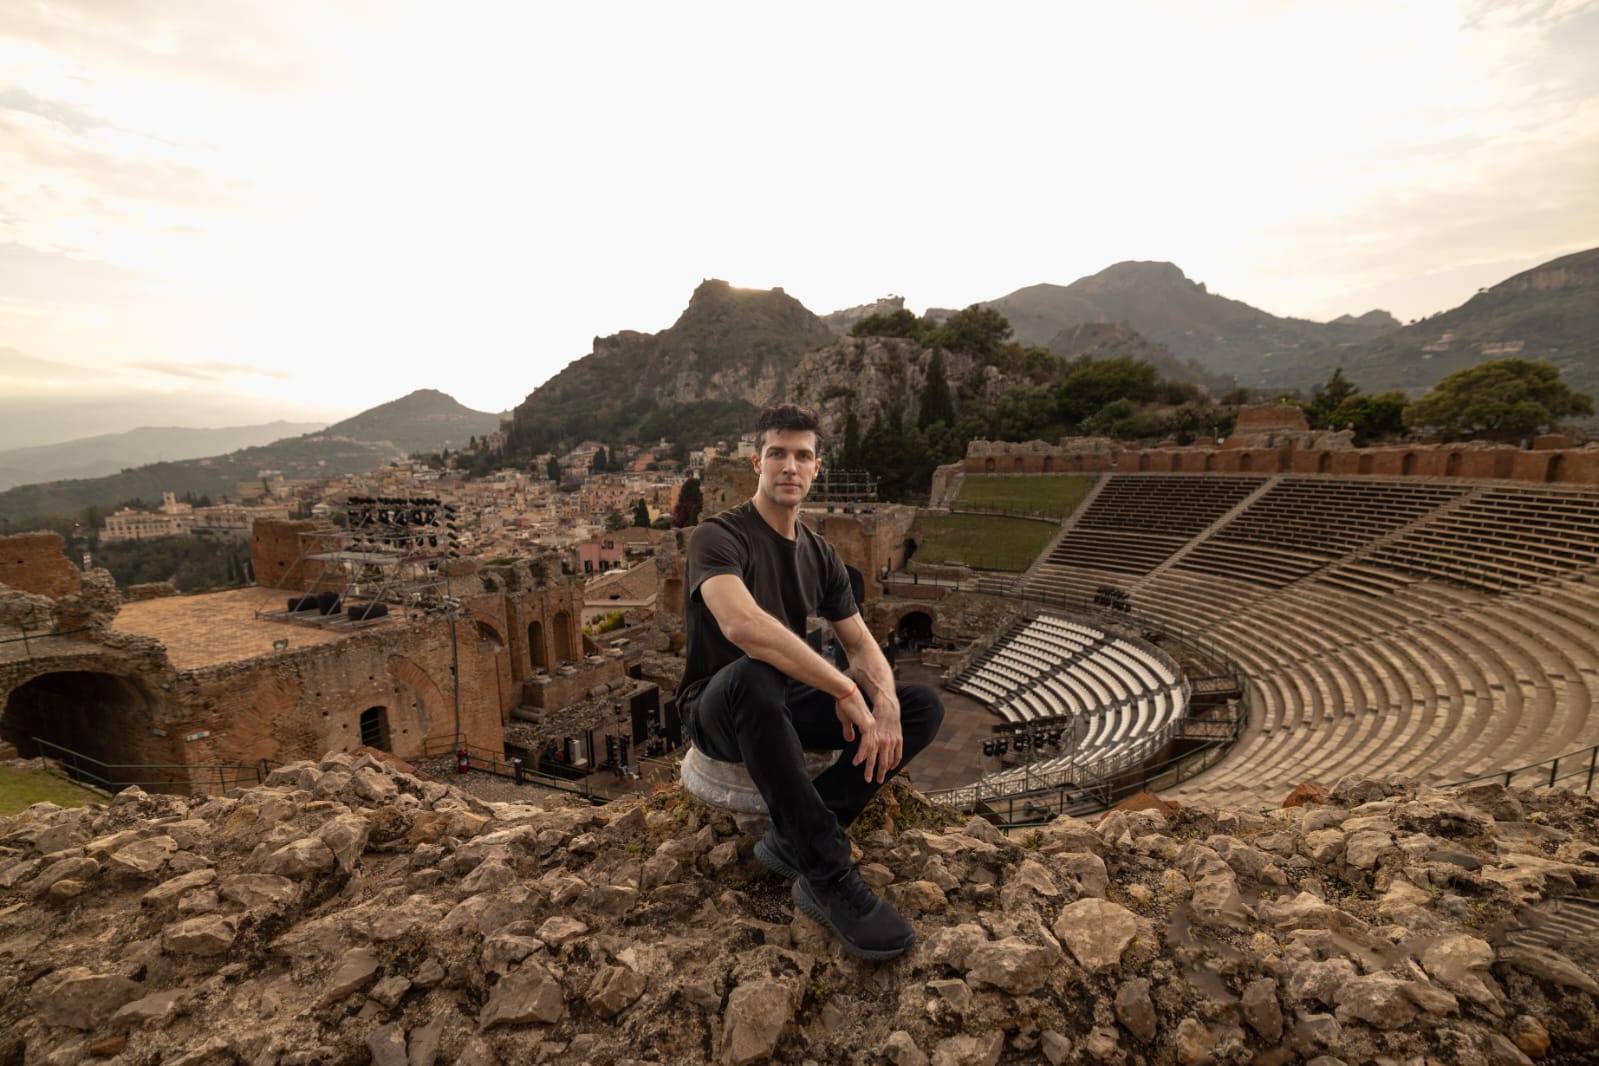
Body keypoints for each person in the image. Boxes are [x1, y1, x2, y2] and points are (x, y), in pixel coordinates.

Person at [677, 403, 944, 961]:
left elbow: (861, 644)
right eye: (777, 453)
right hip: (718, 707)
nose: (789, 467)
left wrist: (884, 702)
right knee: (755, 674)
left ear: (817, 468)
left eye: (803, 456)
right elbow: (742, 626)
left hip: (781, 699)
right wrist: (843, 690)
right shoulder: (718, 536)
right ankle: (827, 873)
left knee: (920, 706)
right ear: (757, 462)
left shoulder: (820, 554)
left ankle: (791, 836)